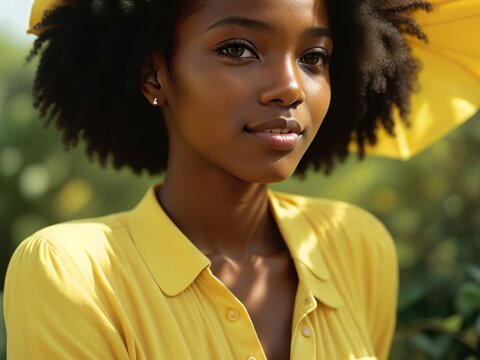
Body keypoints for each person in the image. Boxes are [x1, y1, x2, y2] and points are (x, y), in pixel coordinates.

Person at [3, 0, 433, 358]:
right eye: (238, 49)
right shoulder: (73, 273)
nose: (290, 87)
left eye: (313, 57)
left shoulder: (355, 246)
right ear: (154, 74)